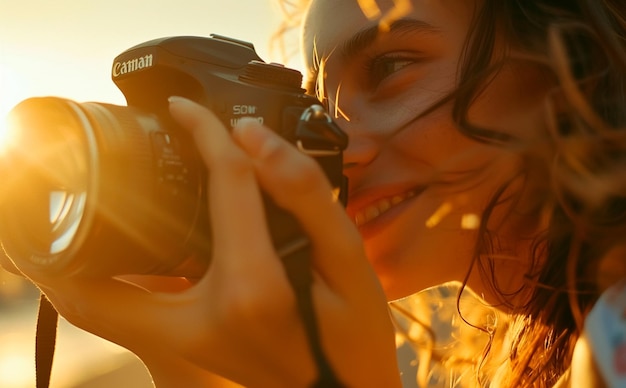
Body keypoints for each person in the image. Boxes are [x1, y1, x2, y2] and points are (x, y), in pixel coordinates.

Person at [2, 0, 626, 386]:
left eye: (389, 68)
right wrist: (193, 369)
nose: (330, 145)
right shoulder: (561, 343)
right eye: (315, 107)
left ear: (572, 51)